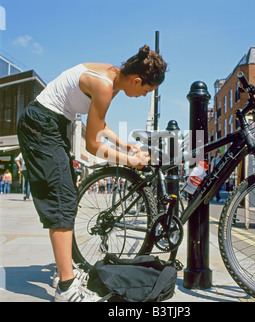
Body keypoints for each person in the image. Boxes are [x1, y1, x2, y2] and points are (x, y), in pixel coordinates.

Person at [17, 45, 167, 302]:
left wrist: (122, 144)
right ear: (137, 80)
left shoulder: (112, 78)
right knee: (61, 200)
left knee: (66, 196)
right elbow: (92, 145)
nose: (144, 96)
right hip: (41, 123)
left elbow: (99, 122)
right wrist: (132, 161)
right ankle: (66, 288)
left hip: (51, 123)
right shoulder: (104, 85)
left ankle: (67, 271)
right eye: (146, 91)